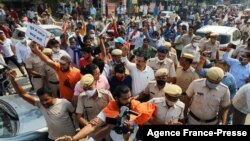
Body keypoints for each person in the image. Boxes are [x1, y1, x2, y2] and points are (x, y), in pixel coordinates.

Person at [56, 85, 156, 141]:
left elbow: (150, 119)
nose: (129, 100)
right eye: (125, 99)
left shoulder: (137, 106)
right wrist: (74, 139)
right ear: (116, 98)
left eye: (130, 97)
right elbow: (93, 126)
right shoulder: (110, 109)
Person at [8, 70, 76, 141]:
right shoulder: (39, 104)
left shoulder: (64, 103)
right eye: (41, 100)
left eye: (46, 100)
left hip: (69, 138)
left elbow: (76, 116)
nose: (44, 103)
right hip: (53, 138)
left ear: (52, 95)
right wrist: (13, 80)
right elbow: (23, 94)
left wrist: (78, 131)